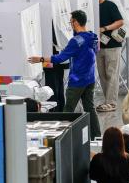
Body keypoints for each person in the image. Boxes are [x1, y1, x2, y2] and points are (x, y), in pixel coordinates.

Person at [28, 10, 101, 138]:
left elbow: (60, 58)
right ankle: (97, 136)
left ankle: (63, 138)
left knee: (68, 111)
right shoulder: (93, 37)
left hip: (77, 81)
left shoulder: (76, 41)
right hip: (90, 79)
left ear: (76, 22)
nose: (70, 24)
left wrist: (40, 59)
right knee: (90, 108)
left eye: (71, 21)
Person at [95, 0, 124, 112]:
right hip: (98, 46)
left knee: (112, 74)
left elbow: (120, 22)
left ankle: (111, 102)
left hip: (112, 45)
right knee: (103, 75)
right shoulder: (91, 9)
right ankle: (107, 101)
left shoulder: (110, 5)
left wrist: (105, 28)